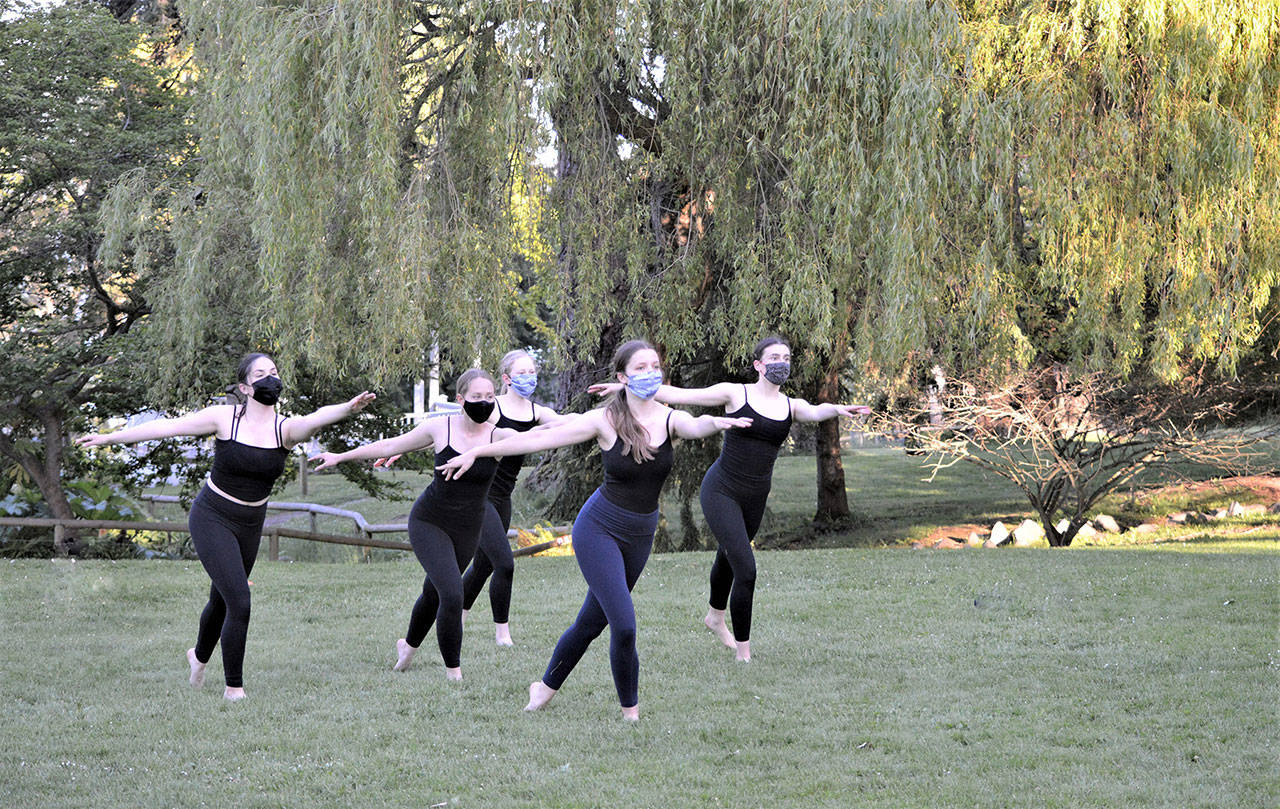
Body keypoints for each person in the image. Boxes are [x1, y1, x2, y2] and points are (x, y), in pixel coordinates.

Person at [438, 340, 751, 720]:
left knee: (590, 623)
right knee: (624, 623)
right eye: (640, 368)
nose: (651, 373)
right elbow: (537, 438)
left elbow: (695, 424)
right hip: (599, 528)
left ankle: (545, 687)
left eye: (655, 366)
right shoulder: (605, 420)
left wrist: (716, 422)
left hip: (640, 533)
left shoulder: (669, 418)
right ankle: (630, 714)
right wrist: (476, 452)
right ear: (623, 377)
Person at [77, 353, 375, 701]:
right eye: (261, 374)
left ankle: (198, 656)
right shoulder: (225, 419)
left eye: (275, 373)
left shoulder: (284, 429)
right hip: (212, 516)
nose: (270, 379)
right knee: (240, 601)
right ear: (245, 387)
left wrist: (347, 408)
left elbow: (315, 419)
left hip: (251, 522)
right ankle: (234, 688)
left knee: (220, 600)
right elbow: (167, 427)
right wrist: (107, 439)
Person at [591, 335, 869, 662]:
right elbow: (682, 394)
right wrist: (625, 389)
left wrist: (839, 408)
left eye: (786, 357)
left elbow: (815, 411)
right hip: (721, 489)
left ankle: (714, 617)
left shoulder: (790, 405)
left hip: (755, 496)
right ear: (758, 365)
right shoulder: (736, 393)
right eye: (774, 357)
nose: (781, 363)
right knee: (746, 568)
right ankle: (744, 651)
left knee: (728, 556)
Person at [311, 369, 515, 681]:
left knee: (433, 593)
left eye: (490, 397)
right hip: (429, 521)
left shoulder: (498, 436)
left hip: (467, 529)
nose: (484, 403)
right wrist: (341, 456)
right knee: (451, 593)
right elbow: (390, 446)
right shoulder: (439, 428)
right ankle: (454, 675)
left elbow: (540, 436)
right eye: (477, 397)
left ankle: (407, 646)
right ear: (460, 400)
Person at [459, 349, 564, 647]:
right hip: (478, 496)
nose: (528, 378)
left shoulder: (536, 413)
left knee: (484, 566)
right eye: (521, 374)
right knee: (505, 563)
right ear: (506, 378)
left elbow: (571, 422)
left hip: (503, 497)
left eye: (532, 372)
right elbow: (451, 429)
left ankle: (456, 617)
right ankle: (502, 634)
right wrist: (399, 449)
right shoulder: (492, 408)